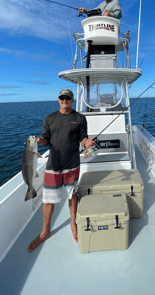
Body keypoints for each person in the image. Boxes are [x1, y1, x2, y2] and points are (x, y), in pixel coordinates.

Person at [28, 89, 94, 252]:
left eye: (67, 97)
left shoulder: (80, 118)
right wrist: (39, 140)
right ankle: (45, 232)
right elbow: (45, 139)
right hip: (53, 166)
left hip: (73, 164)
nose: (64, 100)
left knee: (72, 195)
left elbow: (83, 138)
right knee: (48, 200)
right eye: (62, 97)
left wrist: (86, 143)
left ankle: (73, 223)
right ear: (58, 100)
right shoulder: (50, 118)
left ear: (72, 100)